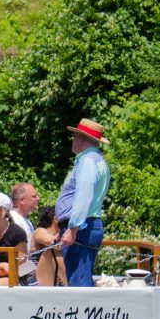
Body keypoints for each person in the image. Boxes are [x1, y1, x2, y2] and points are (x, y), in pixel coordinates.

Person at [55, 118, 111, 287]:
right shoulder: (98, 161)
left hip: (82, 229)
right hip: (85, 227)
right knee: (81, 278)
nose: (73, 140)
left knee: (79, 284)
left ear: (80, 138)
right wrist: (66, 228)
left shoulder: (87, 162)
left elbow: (83, 197)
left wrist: (72, 229)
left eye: (74, 136)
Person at [9, 183, 40, 286]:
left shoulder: (27, 222)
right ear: (22, 200)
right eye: (34, 196)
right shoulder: (12, 219)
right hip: (16, 272)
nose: (38, 198)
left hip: (26, 269)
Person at [33, 206, 67, 287]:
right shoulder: (40, 231)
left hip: (52, 275)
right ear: (56, 219)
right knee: (52, 250)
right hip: (31, 275)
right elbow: (53, 243)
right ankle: (72, 284)